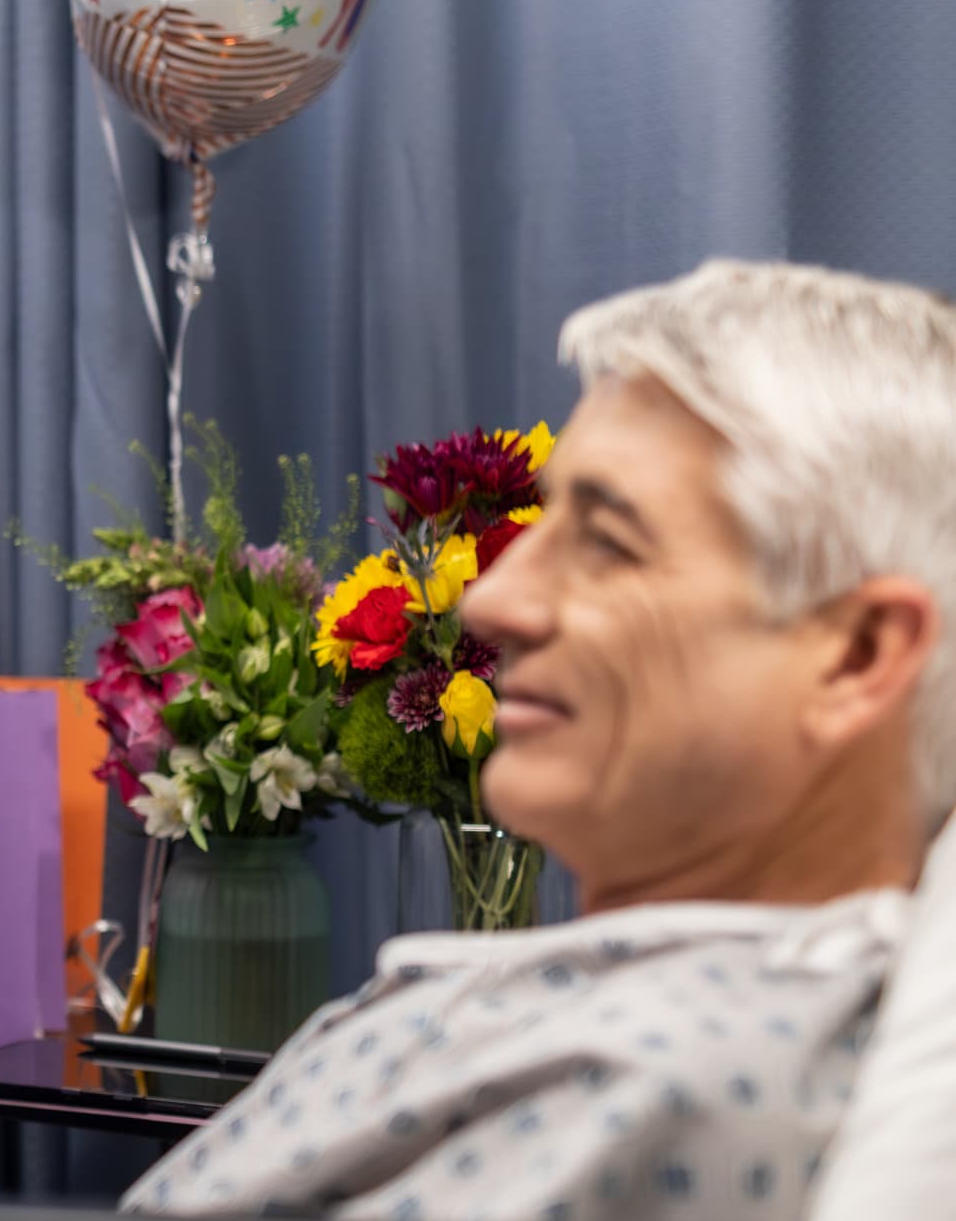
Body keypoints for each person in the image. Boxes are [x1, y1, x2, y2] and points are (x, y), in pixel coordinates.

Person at [126, 259, 953, 1220]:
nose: (495, 597)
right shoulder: (615, 1017)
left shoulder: (674, 1087)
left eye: (607, 542)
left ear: (857, 653)